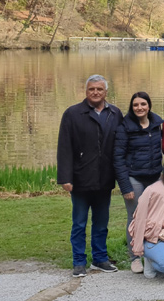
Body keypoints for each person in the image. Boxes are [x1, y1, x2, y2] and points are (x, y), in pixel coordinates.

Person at [57, 74, 124, 277]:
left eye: (99, 89)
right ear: (86, 92)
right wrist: (65, 178)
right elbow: (64, 148)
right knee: (79, 223)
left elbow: (120, 146)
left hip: (104, 179)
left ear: (106, 92)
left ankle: (100, 258)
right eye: (91, 89)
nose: (95, 92)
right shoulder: (73, 114)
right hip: (80, 179)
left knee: (101, 223)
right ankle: (79, 261)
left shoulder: (115, 113)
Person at [114, 91, 164, 273]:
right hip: (134, 177)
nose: (139, 108)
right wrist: (125, 186)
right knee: (136, 217)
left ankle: (153, 251)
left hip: (155, 177)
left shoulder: (157, 124)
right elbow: (118, 158)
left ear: (149, 105)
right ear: (131, 107)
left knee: (157, 215)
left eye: (143, 104)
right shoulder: (124, 127)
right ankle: (135, 257)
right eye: (136, 105)